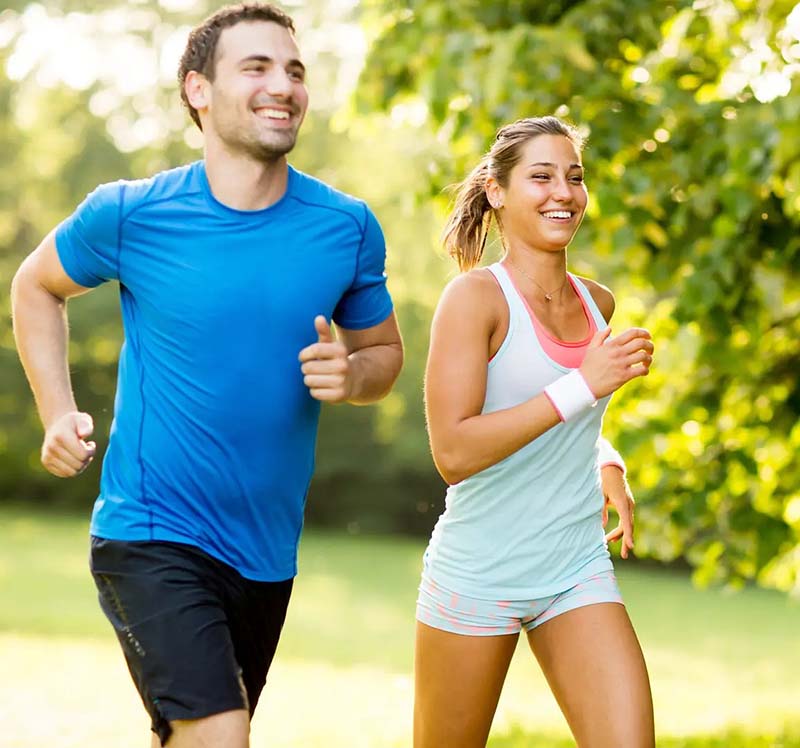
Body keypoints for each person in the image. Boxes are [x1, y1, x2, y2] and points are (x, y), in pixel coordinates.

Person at [10, 4, 402, 747]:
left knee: (189, 737)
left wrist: (352, 375)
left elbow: (384, 354)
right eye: (255, 67)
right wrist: (57, 413)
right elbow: (35, 286)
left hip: (265, 552)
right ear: (198, 90)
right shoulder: (130, 214)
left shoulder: (346, 226)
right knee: (221, 733)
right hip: (150, 531)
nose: (281, 85)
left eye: (293, 70)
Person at [414, 115, 655, 748]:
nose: (564, 192)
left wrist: (608, 460)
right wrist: (586, 383)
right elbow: (454, 451)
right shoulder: (474, 301)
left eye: (574, 177)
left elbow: (554, 412)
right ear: (496, 190)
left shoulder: (596, 302)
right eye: (541, 176)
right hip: (479, 570)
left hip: (573, 563)